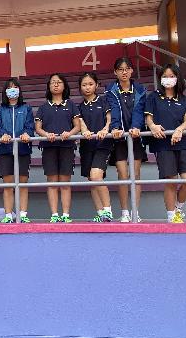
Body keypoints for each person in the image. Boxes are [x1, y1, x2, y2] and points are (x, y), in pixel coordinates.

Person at [145, 64, 186, 223]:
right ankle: (171, 216)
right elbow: (149, 119)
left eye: (171, 76)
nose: (168, 79)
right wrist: (153, 126)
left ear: (177, 78)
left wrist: (179, 130)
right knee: (171, 181)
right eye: (165, 76)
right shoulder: (153, 97)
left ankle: (178, 208)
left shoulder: (184, 99)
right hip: (162, 144)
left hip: (184, 143)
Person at [35, 73, 81, 222]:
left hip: (67, 146)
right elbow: (38, 128)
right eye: (53, 82)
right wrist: (46, 134)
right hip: (49, 147)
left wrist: (69, 133)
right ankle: (54, 214)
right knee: (52, 181)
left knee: (65, 182)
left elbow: (77, 126)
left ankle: (66, 215)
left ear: (64, 86)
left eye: (59, 82)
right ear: (48, 86)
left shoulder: (71, 105)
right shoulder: (43, 107)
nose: (56, 85)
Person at [106, 57, 147, 222]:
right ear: (115, 72)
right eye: (120, 69)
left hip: (136, 137)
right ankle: (124, 212)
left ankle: (135, 211)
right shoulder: (111, 90)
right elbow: (114, 110)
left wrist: (136, 127)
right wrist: (115, 127)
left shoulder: (140, 90)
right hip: (119, 138)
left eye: (127, 69)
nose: (124, 72)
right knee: (123, 175)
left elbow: (139, 111)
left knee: (135, 175)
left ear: (131, 70)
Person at [0, 78, 35, 223]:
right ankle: (8, 215)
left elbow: (30, 126)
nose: (12, 90)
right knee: (8, 184)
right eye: (9, 87)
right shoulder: (0, 110)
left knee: (22, 182)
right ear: (5, 91)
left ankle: (23, 214)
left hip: (23, 149)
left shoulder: (26, 108)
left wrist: (26, 133)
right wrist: (2, 134)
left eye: (15, 87)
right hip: (5, 150)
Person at [78, 72, 113, 222]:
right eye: (84, 85)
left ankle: (108, 211)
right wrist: (84, 130)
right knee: (91, 180)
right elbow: (80, 123)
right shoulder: (79, 107)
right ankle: (100, 214)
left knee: (96, 176)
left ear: (97, 85)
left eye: (90, 84)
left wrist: (105, 129)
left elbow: (109, 119)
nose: (87, 87)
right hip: (86, 146)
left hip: (102, 145)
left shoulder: (104, 101)